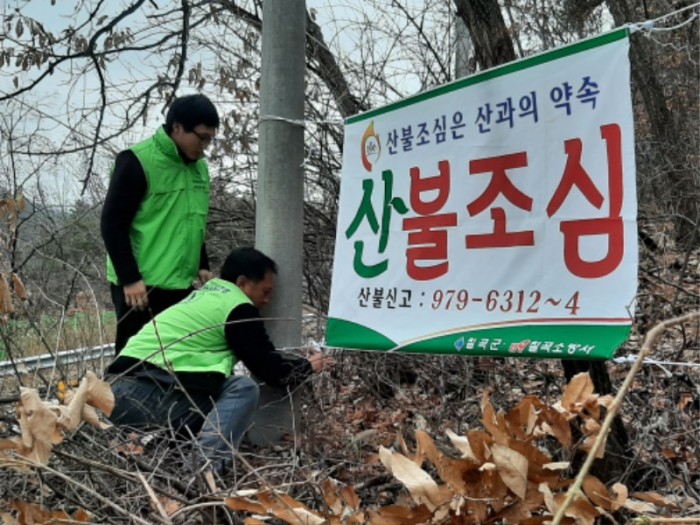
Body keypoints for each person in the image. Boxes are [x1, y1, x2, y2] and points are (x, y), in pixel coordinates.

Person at [106, 247, 334, 475]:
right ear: (243, 282)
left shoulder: (205, 296)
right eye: (265, 291)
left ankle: (175, 461)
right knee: (242, 389)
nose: (267, 300)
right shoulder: (237, 307)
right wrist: (309, 366)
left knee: (218, 387)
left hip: (115, 392)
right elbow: (272, 371)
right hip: (140, 394)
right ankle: (201, 475)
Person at [101, 93, 220, 354]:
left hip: (181, 285)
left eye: (209, 139)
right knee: (134, 364)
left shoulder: (199, 168)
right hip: (141, 287)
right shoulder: (137, 161)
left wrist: (202, 263)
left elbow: (192, 219)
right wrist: (130, 278)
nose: (204, 146)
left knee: (175, 360)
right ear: (177, 127)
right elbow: (112, 224)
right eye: (201, 137)